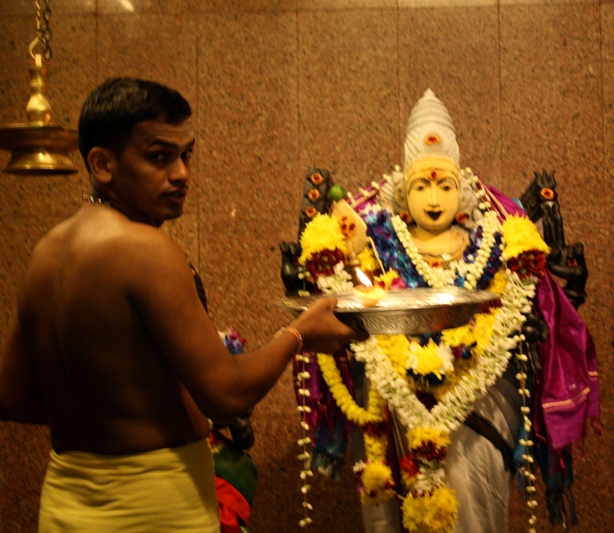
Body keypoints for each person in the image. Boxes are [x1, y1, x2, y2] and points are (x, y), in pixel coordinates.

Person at [0, 77, 366, 532]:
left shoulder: (45, 251)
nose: (181, 174)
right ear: (102, 164)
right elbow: (226, 396)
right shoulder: (144, 247)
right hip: (154, 506)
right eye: (159, 157)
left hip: (65, 503)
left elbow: (12, 396)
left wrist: (111, 408)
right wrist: (300, 333)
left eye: (185, 154)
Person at [286, 89, 599, 533]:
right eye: (421, 185)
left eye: (444, 185)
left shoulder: (492, 242)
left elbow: (530, 308)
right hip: (391, 409)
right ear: (402, 191)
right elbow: (351, 302)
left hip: (479, 401)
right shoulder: (376, 243)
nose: (434, 198)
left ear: (463, 191)